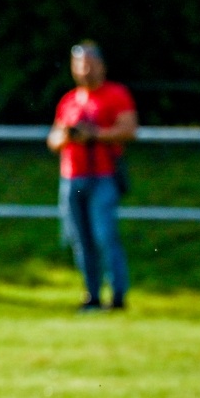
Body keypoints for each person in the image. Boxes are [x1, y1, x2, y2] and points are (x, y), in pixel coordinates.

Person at [48, 41, 137, 311]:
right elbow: (52, 140)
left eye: (89, 63)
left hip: (103, 176)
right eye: (79, 64)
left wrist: (94, 134)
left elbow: (129, 130)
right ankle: (92, 296)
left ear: (101, 65)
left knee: (104, 236)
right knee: (80, 239)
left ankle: (118, 296)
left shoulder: (116, 94)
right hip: (72, 178)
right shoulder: (70, 100)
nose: (84, 69)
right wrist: (67, 135)